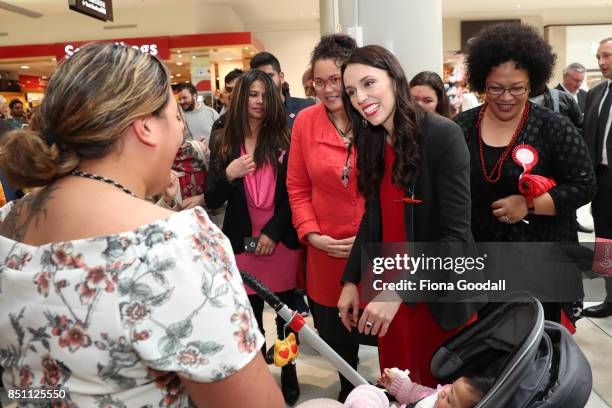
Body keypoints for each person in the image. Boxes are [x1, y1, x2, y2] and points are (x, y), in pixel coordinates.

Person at [0, 42, 284, 408]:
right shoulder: (176, 245)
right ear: (146, 127)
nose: (180, 130)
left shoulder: (9, 222)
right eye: (173, 116)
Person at [339, 45, 480, 387]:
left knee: (440, 392)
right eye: (352, 91)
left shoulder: (442, 136)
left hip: (436, 298)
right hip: (391, 296)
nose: (360, 97)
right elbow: (374, 216)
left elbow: (456, 238)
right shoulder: (372, 139)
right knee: (399, 386)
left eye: (369, 83)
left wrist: (398, 292)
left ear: (395, 79)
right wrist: (350, 280)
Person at [453, 23, 596, 328]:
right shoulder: (461, 127)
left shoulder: (553, 127)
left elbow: (584, 185)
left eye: (517, 87)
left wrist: (529, 204)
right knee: (482, 350)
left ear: (532, 84)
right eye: (495, 88)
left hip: (538, 259)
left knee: (534, 349)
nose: (506, 97)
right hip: (479, 261)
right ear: (481, 84)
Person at [205, 69, 301, 405]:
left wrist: (273, 232)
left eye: (264, 95)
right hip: (241, 244)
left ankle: (289, 370)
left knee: (287, 320)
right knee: (251, 319)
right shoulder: (224, 141)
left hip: (281, 243)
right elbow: (213, 198)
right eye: (252, 95)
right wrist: (229, 174)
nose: (259, 102)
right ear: (241, 97)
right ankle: (259, 377)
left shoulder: (286, 139)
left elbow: (296, 194)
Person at [286, 33, 364, 402]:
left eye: (336, 80)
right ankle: (351, 392)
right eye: (319, 82)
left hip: (376, 251)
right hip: (326, 252)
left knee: (390, 337)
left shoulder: (374, 116)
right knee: (337, 340)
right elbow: (297, 187)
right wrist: (311, 234)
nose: (328, 89)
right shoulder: (305, 121)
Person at [582, 37, 612, 318]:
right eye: (599, 57)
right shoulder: (596, 93)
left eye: (607, 56)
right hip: (603, 181)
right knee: (605, 242)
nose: (602, 63)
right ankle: (610, 297)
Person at [250, 51, 314, 129]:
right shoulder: (254, 112)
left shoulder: (306, 107)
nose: (266, 81)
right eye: (260, 78)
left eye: (269, 76)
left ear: (281, 77)